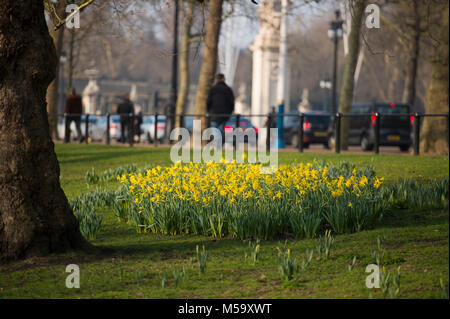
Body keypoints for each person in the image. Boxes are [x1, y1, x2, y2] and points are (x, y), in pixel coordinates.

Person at [207, 74, 235, 141]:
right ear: (223, 79)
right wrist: (230, 112)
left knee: (215, 130)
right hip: (224, 114)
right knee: (221, 130)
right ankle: (220, 144)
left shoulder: (213, 89)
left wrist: (209, 111)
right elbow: (232, 102)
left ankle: (217, 143)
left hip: (214, 114)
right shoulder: (228, 89)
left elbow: (208, 102)